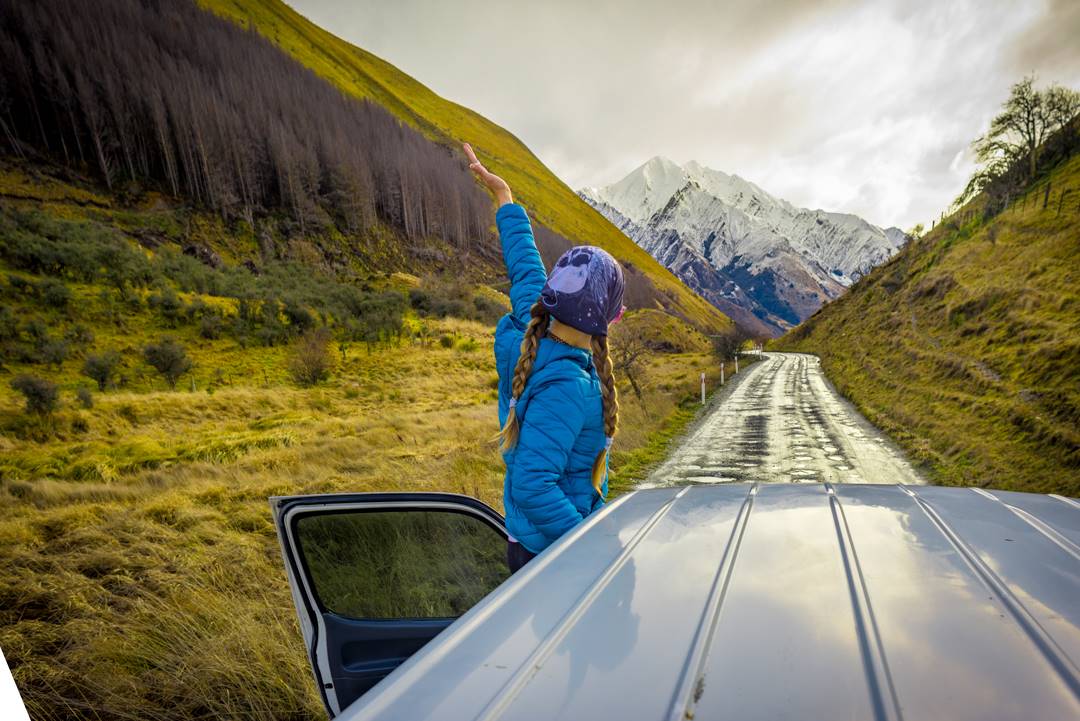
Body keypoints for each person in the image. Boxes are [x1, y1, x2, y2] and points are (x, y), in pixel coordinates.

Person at [463, 142, 626, 574]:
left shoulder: (533, 321)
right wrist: (588, 546)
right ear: (604, 319)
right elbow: (534, 485)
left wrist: (505, 199)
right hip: (552, 550)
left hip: (534, 537)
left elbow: (522, 263)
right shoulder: (569, 388)